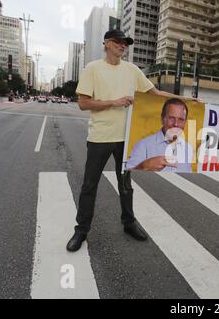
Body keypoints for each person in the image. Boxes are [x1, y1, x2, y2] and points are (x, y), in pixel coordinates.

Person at [66, 29, 198, 252]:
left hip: (125, 139)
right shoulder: (93, 69)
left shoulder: (132, 70)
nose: (122, 45)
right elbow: (83, 103)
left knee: (126, 185)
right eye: (118, 42)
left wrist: (187, 100)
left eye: (125, 43)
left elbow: (154, 93)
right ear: (107, 43)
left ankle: (129, 222)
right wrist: (114, 102)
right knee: (90, 185)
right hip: (100, 138)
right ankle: (81, 230)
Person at [126, 98, 193, 172]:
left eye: (181, 119)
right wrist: (144, 166)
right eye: (171, 118)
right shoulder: (143, 145)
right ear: (162, 119)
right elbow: (126, 178)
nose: (176, 124)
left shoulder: (187, 149)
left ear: (185, 122)